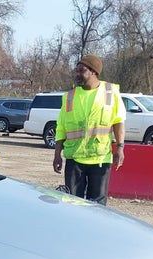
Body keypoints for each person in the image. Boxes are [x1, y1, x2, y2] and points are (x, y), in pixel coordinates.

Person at [53, 54, 126, 204]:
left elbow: (118, 121)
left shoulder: (110, 93)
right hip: (74, 159)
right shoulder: (69, 97)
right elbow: (61, 128)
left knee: (97, 207)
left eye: (81, 70)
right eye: (76, 71)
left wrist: (120, 148)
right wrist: (57, 154)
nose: (77, 74)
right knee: (72, 204)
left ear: (94, 72)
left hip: (100, 159)